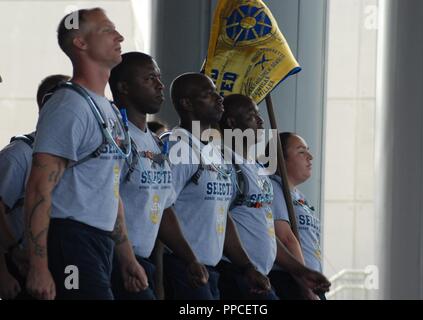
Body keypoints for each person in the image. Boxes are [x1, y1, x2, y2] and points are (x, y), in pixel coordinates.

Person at [24, 8, 147, 300]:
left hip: (99, 243)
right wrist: (38, 266)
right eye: (107, 30)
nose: (120, 36)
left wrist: (127, 257)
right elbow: (39, 187)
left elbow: (109, 188)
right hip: (72, 240)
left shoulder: (107, 109)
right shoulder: (69, 106)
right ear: (81, 43)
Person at [108, 51, 208, 299]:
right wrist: (126, 260)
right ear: (124, 87)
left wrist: (191, 259)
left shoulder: (154, 143)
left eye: (159, 77)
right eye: (149, 78)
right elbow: (106, 202)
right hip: (113, 261)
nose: (160, 85)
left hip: (144, 262)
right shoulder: (113, 137)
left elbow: (164, 208)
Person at [163, 72, 270, 300]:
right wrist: (189, 259)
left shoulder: (213, 152)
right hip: (183, 268)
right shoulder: (177, 147)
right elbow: (162, 207)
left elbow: (223, 216)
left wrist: (247, 267)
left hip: (209, 272)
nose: (219, 98)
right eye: (208, 94)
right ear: (187, 103)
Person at [219, 94, 330, 300]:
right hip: (238, 273)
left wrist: (302, 271)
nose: (261, 122)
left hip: (259, 275)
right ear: (232, 122)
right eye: (252, 115)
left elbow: (268, 233)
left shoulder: (258, 171)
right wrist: (247, 267)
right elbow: (222, 219)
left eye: (259, 114)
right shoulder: (224, 164)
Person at [0, 74, 70, 300]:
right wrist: (3, 273)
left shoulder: (76, 158)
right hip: (22, 268)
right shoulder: (19, 155)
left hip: (63, 264)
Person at [269, 132, 330, 299]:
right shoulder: (274, 188)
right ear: (281, 158)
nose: (310, 157)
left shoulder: (299, 197)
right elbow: (286, 238)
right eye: (301, 152)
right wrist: (306, 286)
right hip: (293, 282)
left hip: (311, 283)